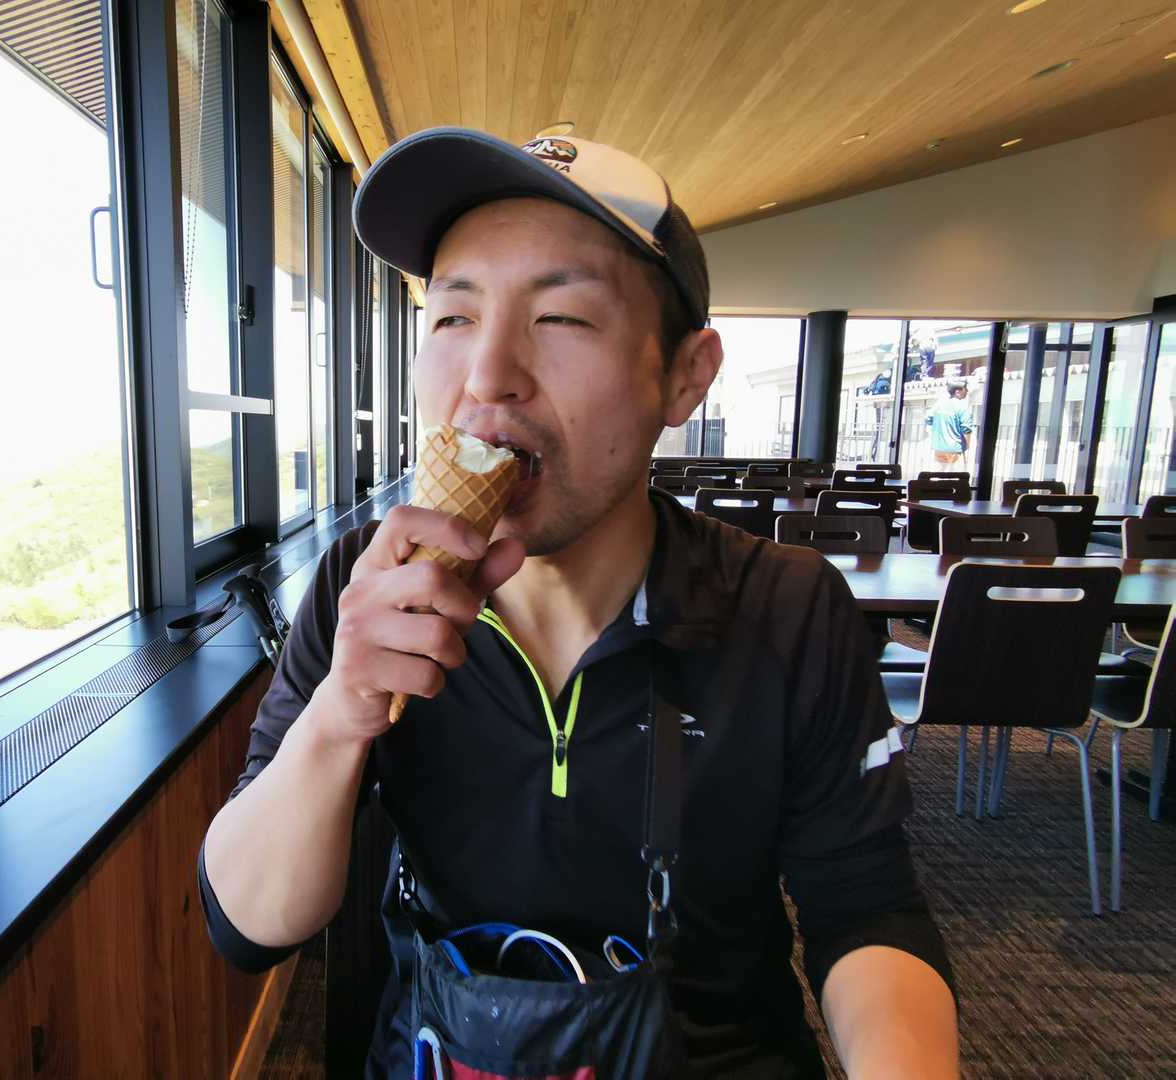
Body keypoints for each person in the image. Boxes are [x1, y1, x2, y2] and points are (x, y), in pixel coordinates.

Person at [199, 127, 958, 1077]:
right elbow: (247, 927)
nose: (488, 377)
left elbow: (867, 909)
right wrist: (337, 714)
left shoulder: (787, 607)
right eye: (452, 316)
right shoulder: (369, 588)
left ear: (684, 376)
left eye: (560, 318)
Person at [927, 378, 974, 467]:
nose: (967, 391)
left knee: (938, 474)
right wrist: (966, 447)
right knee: (955, 475)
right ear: (957, 392)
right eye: (965, 389)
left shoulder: (939, 405)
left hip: (938, 449)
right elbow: (966, 429)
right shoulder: (963, 407)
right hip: (955, 451)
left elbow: (928, 419)